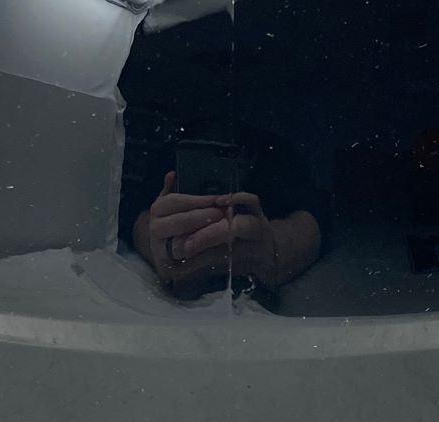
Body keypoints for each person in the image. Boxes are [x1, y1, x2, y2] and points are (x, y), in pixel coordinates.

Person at [120, 117, 326, 301]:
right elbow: (136, 211)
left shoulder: (277, 155)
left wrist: (276, 253)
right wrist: (159, 247)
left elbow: (315, 212)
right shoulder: (169, 154)